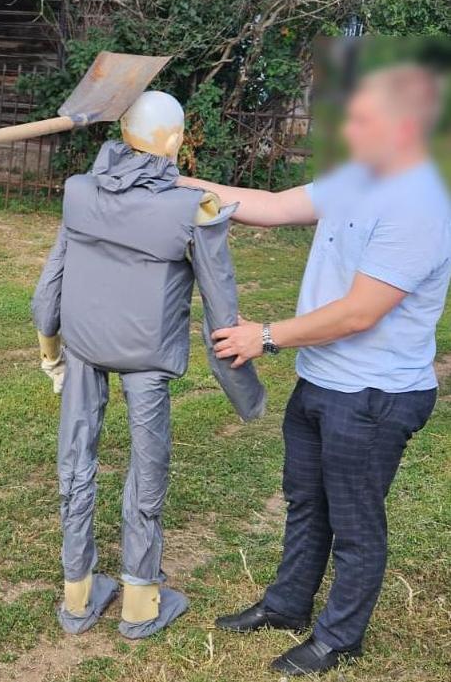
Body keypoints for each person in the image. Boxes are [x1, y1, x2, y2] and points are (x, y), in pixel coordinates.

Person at [178, 64, 450, 676]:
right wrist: (172, 182)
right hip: (323, 381)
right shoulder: (359, 177)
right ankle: (286, 606)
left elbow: (359, 313)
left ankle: (339, 638)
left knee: (354, 523)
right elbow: (270, 206)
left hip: (375, 395)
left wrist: (265, 337)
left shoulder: (420, 206)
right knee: (306, 502)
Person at [32, 91, 265, 640]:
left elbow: (49, 288)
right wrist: (244, 393)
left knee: (76, 461)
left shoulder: (78, 192)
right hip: (148, 358)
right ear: (176, 143)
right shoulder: (194, 210)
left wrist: (50, 351)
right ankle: (139, 601)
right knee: (146, 466)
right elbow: (222, 313)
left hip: (85, 348)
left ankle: (79, 594)